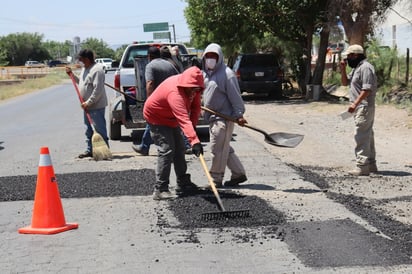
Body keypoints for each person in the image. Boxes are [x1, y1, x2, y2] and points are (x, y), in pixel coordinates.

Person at [143, 66, 205, 200]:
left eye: (197, 88)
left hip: (171, 118)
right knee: (167, 149)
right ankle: (160, 188)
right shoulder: (175, 93)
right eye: (192, 88)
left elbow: (195, 110)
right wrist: (194, 141)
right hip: (156, 117)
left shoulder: (195, 89)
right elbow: (183, 118)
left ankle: (183, 182)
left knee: (180, 148)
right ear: (185, 84)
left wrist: (193, 135)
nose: (194, 91)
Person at [201, 43, 248, 188]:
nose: (210, 59)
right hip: (212, 118)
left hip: (224, 119)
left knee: (217, 149)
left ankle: (215, 179)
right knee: (224, 148)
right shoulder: (205, 74)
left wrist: (239, 114)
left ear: (219, 57)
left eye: (213, 56)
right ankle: (238, 174)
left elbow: (235, 97)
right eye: (207, 56)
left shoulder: (227, 75)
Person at [132, 46, 179, 156]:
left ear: (149, 56)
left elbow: (150, 83)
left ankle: (144, 147)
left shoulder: (150, 65)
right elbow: (179, 79)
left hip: (158, 101)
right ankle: (144, 146)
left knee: (152, 120)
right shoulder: (169, 65)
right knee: (174, 122)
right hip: (171, 99)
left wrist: (149, 101)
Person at [340, 44, 378, 176]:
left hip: (364, 106)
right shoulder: (357, 68)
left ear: (355, 55)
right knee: (367, 135)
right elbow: (345, 83)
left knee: (361, 135)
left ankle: (362, 166)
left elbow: (366, 89)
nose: (347, 59)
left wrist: (355, 104)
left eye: (348, 56)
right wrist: (343, 69)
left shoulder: (366, 68)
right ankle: (371, 164)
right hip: (360, 107)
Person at [66, 49, 109, 159]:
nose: (80, 62)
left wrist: (89, 102)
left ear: (87, 59)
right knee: (88, 130)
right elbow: (81, 82)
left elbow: (98, 90)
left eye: (81, 59)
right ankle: (90, 150)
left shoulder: (97, 70)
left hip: (95, 105)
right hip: (86, 105)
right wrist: (71, 74)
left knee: (99, 129)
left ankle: (104, 151)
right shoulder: (85, 68)